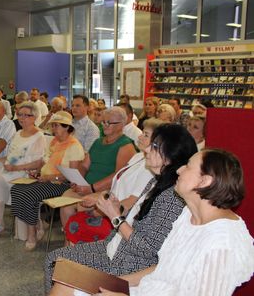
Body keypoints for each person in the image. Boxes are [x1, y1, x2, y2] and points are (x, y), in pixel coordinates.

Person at [45, 124, 198, 294]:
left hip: (128, 263)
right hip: (116, 247)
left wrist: (115, 216)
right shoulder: (157, 181)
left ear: (170, 156)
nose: (146, 149)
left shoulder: (171, 197)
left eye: (154, 146)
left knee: (58, 265)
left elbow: (148, 251)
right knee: (54, 259)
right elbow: (139, 215)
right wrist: (117, 207)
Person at [94, 149, 254, 296]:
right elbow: (166, 268)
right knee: (71, 286)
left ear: (204, 181)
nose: (179, 170)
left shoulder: (222, 243)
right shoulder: (188, 214)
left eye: (188, 167)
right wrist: (117, 283)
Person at [63, 118, 163, 245]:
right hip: (114, 206)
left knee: (77, 222)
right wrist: (99, 199)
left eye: (146, 135)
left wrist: (103, 207)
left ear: (157, 142)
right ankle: (68, 259)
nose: (140, 136)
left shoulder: (150, 166)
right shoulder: (138, 156)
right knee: (77, 213)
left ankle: (72, 259)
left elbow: (133, 202)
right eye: (142, 132)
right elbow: (118, 184)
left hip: (123, 217)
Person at [10, 111, 85, 250]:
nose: (53, 129)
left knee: (28, 195)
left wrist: (50, 177)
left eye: (56, 126)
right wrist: (37, 173)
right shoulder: (55, 142)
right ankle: (38, 225)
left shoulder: (74, 146)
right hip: (46, 179)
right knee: (16, 189)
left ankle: (32, 234)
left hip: (62, 184)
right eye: (53, 126)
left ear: (67, 127)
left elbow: (72, 176)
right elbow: (46, 162)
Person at [0, 101, 46, 238]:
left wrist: (16, 167)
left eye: (26, 115)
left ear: (35, 117)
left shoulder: (39, 136)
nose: (22, 118)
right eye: (20, 115)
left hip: (25, 172)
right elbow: (12, 155)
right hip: (10, 168)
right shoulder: (18, 133)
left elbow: (38, 163)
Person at [60, 107, 137, 226]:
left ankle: (78, 239)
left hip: (107, 191)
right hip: (87, 187)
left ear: (121, 124)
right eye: (103, 122)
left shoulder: (126, 146)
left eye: (109, 123)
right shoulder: (98, 142)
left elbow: (118, 175)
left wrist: (92, 188)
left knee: (81, 205)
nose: (104, 125)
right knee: (65, 203)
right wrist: (77, 180)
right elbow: (84, 166)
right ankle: (69, 238)